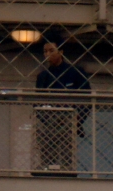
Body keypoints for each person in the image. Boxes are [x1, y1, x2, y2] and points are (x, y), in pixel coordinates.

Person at [35, 39, 91, 173]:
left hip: (69, 118)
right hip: (49, 119)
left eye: (51, 50)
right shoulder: (42, 77)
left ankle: (67, 170)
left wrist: (78, 119)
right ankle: (47, 169)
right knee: (47, 148)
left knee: (67, 149)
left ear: (61, 52)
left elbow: (87, 98)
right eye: (45, 51)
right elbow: (36, 101)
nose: (47, 54)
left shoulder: (75, 72)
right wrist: (43, 118)